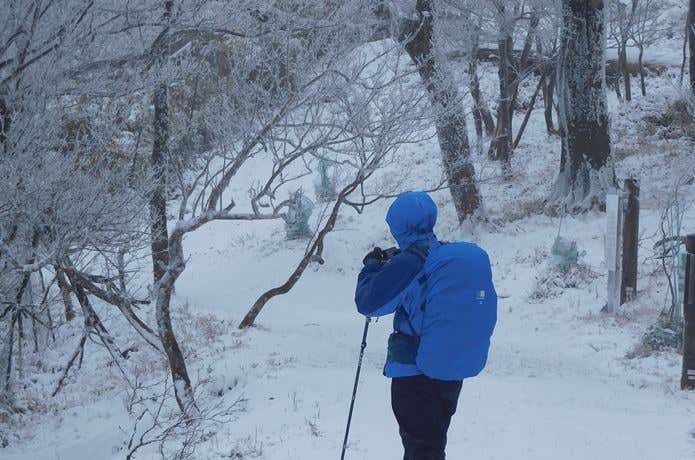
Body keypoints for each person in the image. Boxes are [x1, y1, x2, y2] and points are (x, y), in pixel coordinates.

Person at [354, 191, 497, 460]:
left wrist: (372, 267)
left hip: (414, 375)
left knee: (422, 450)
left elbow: (369, 303)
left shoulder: (410, 262)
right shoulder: (442, 256)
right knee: (430, 446)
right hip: (448, 373)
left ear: (397, 226)